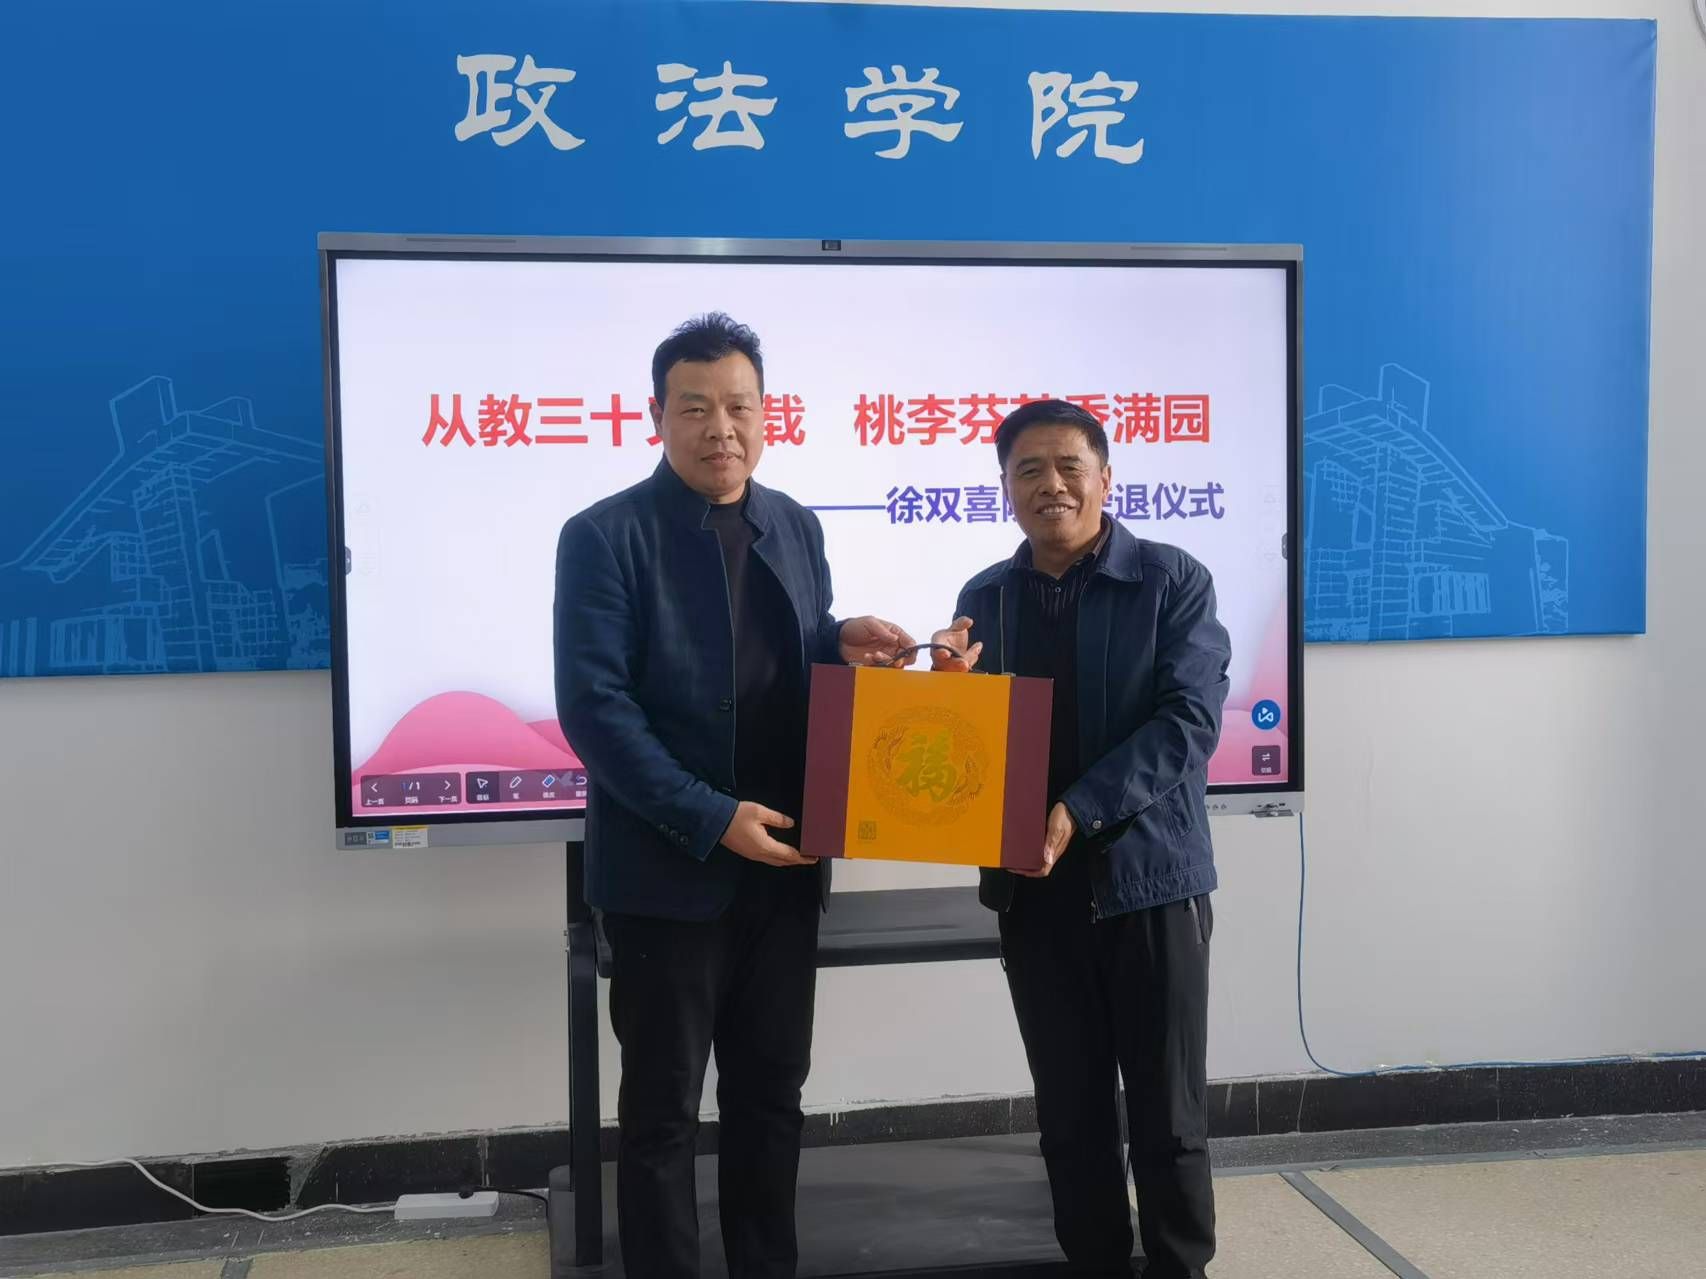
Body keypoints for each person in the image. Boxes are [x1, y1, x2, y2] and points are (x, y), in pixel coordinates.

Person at [554, 313, 914, 1278]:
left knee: (770, 1099)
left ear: (766, 413)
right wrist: (714, 817)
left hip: (786, 864)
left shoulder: (794, 522)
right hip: (668, 875)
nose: (722, 428)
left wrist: (840, 643)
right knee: (662, 1114)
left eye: (740, 407)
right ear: (657, 416)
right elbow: (595, 709)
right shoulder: (603, 536)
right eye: (697, 408)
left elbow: (783, 655)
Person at [931, 399, 1231, 1279]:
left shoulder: (1172, 580)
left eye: (1070, 465)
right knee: (1070, 1119)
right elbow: (969, 746)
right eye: (1029, 469)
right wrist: (945, 693)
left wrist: (1077, 808)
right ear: (1005, 488)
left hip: (1152, 886)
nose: (1051, 485)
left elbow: (1187, 723)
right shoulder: (983, 597)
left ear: (1106, 478)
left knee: (1169, 1119)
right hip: (1036, 894)